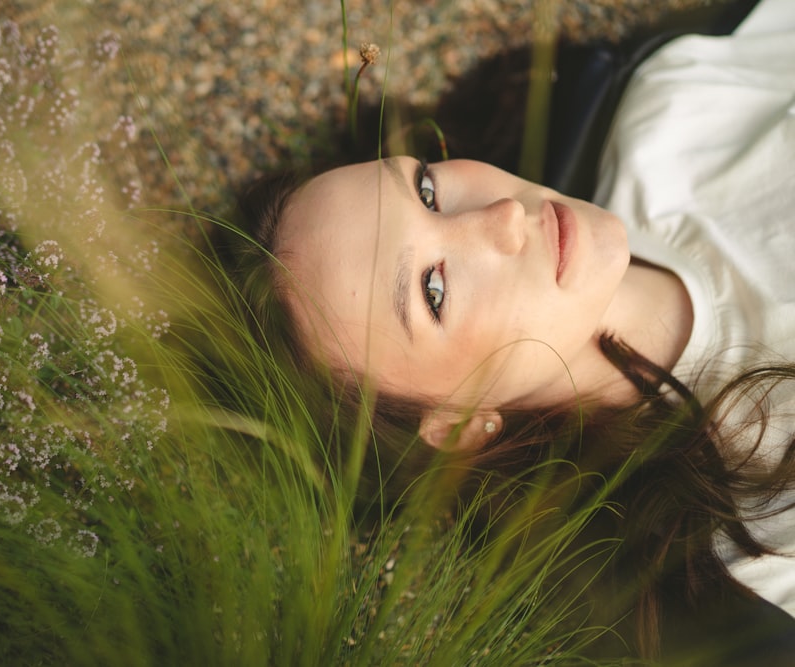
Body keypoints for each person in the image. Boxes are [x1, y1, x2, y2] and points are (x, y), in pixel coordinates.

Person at [229, 0, 795, 661]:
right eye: (433, 291)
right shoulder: (756, 551)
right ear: (458, 423)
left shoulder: (677, 109)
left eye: (428, 192)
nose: (502, 217)